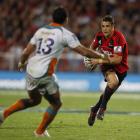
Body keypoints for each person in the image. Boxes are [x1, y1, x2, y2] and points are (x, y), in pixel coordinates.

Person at [0, 7, 108, 137]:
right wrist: (101, 56)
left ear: (52, 18)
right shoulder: (65, 34)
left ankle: (3, 114)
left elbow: (26, 52)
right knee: (56, 103)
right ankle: (39, 132)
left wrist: (21, 63)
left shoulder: (41, 31)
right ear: (66, 20)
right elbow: (84, 51)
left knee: (34, 101)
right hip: (44, 73)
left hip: (30, 69)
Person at [85, 15, 128, 126]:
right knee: (113, 82)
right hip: (107, 67)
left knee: (107, 93)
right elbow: (91, 49)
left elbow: (117, 60)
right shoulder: (99, 36)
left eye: (107, 26)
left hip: (121, 69)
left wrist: (98, 61)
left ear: (113, 26)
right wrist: (90, 58)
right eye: (103, 26)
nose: (105, 29)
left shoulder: (118, 37)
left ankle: (94, 109)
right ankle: (102, 109)